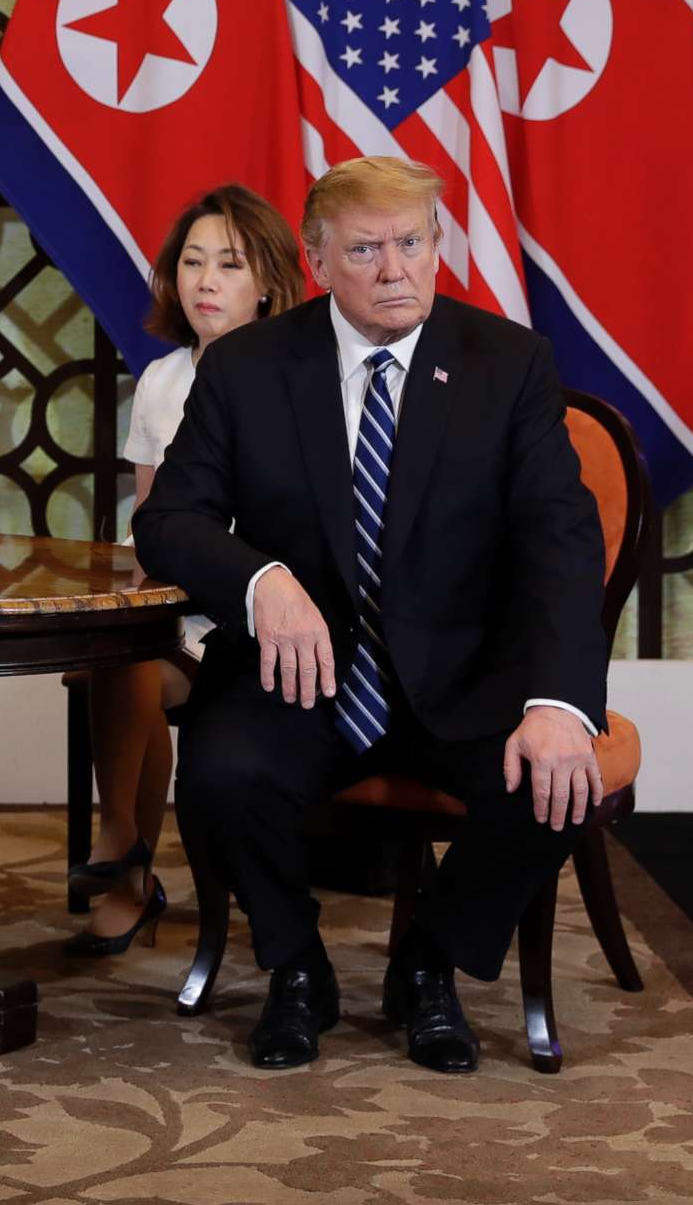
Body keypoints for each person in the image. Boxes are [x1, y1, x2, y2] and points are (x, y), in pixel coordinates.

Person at [134, 155, 605, 1074]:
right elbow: (170, 519)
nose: (396, 270)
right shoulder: (249, 365)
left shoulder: (505, 364)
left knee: (552, 787)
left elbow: (562, 544)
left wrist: (559, 702)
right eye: (366, 250)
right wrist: (261, 577)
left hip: (464, 676)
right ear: (316, 261)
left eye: (413, 243)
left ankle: (431, 964)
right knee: (223, 775)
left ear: (437, 246)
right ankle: (297, 969)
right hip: (300, 676)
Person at [69, 185, 299, 956]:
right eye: (192, 262)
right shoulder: (163, 381)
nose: (204, 281)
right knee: (123, 647)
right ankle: (128, 852)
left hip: (254, 612)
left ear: (266, 281)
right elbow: (151, 532)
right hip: (172, 608)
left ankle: (126, 854)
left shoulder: (297, 380)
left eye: (228, 265)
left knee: (132, 658)